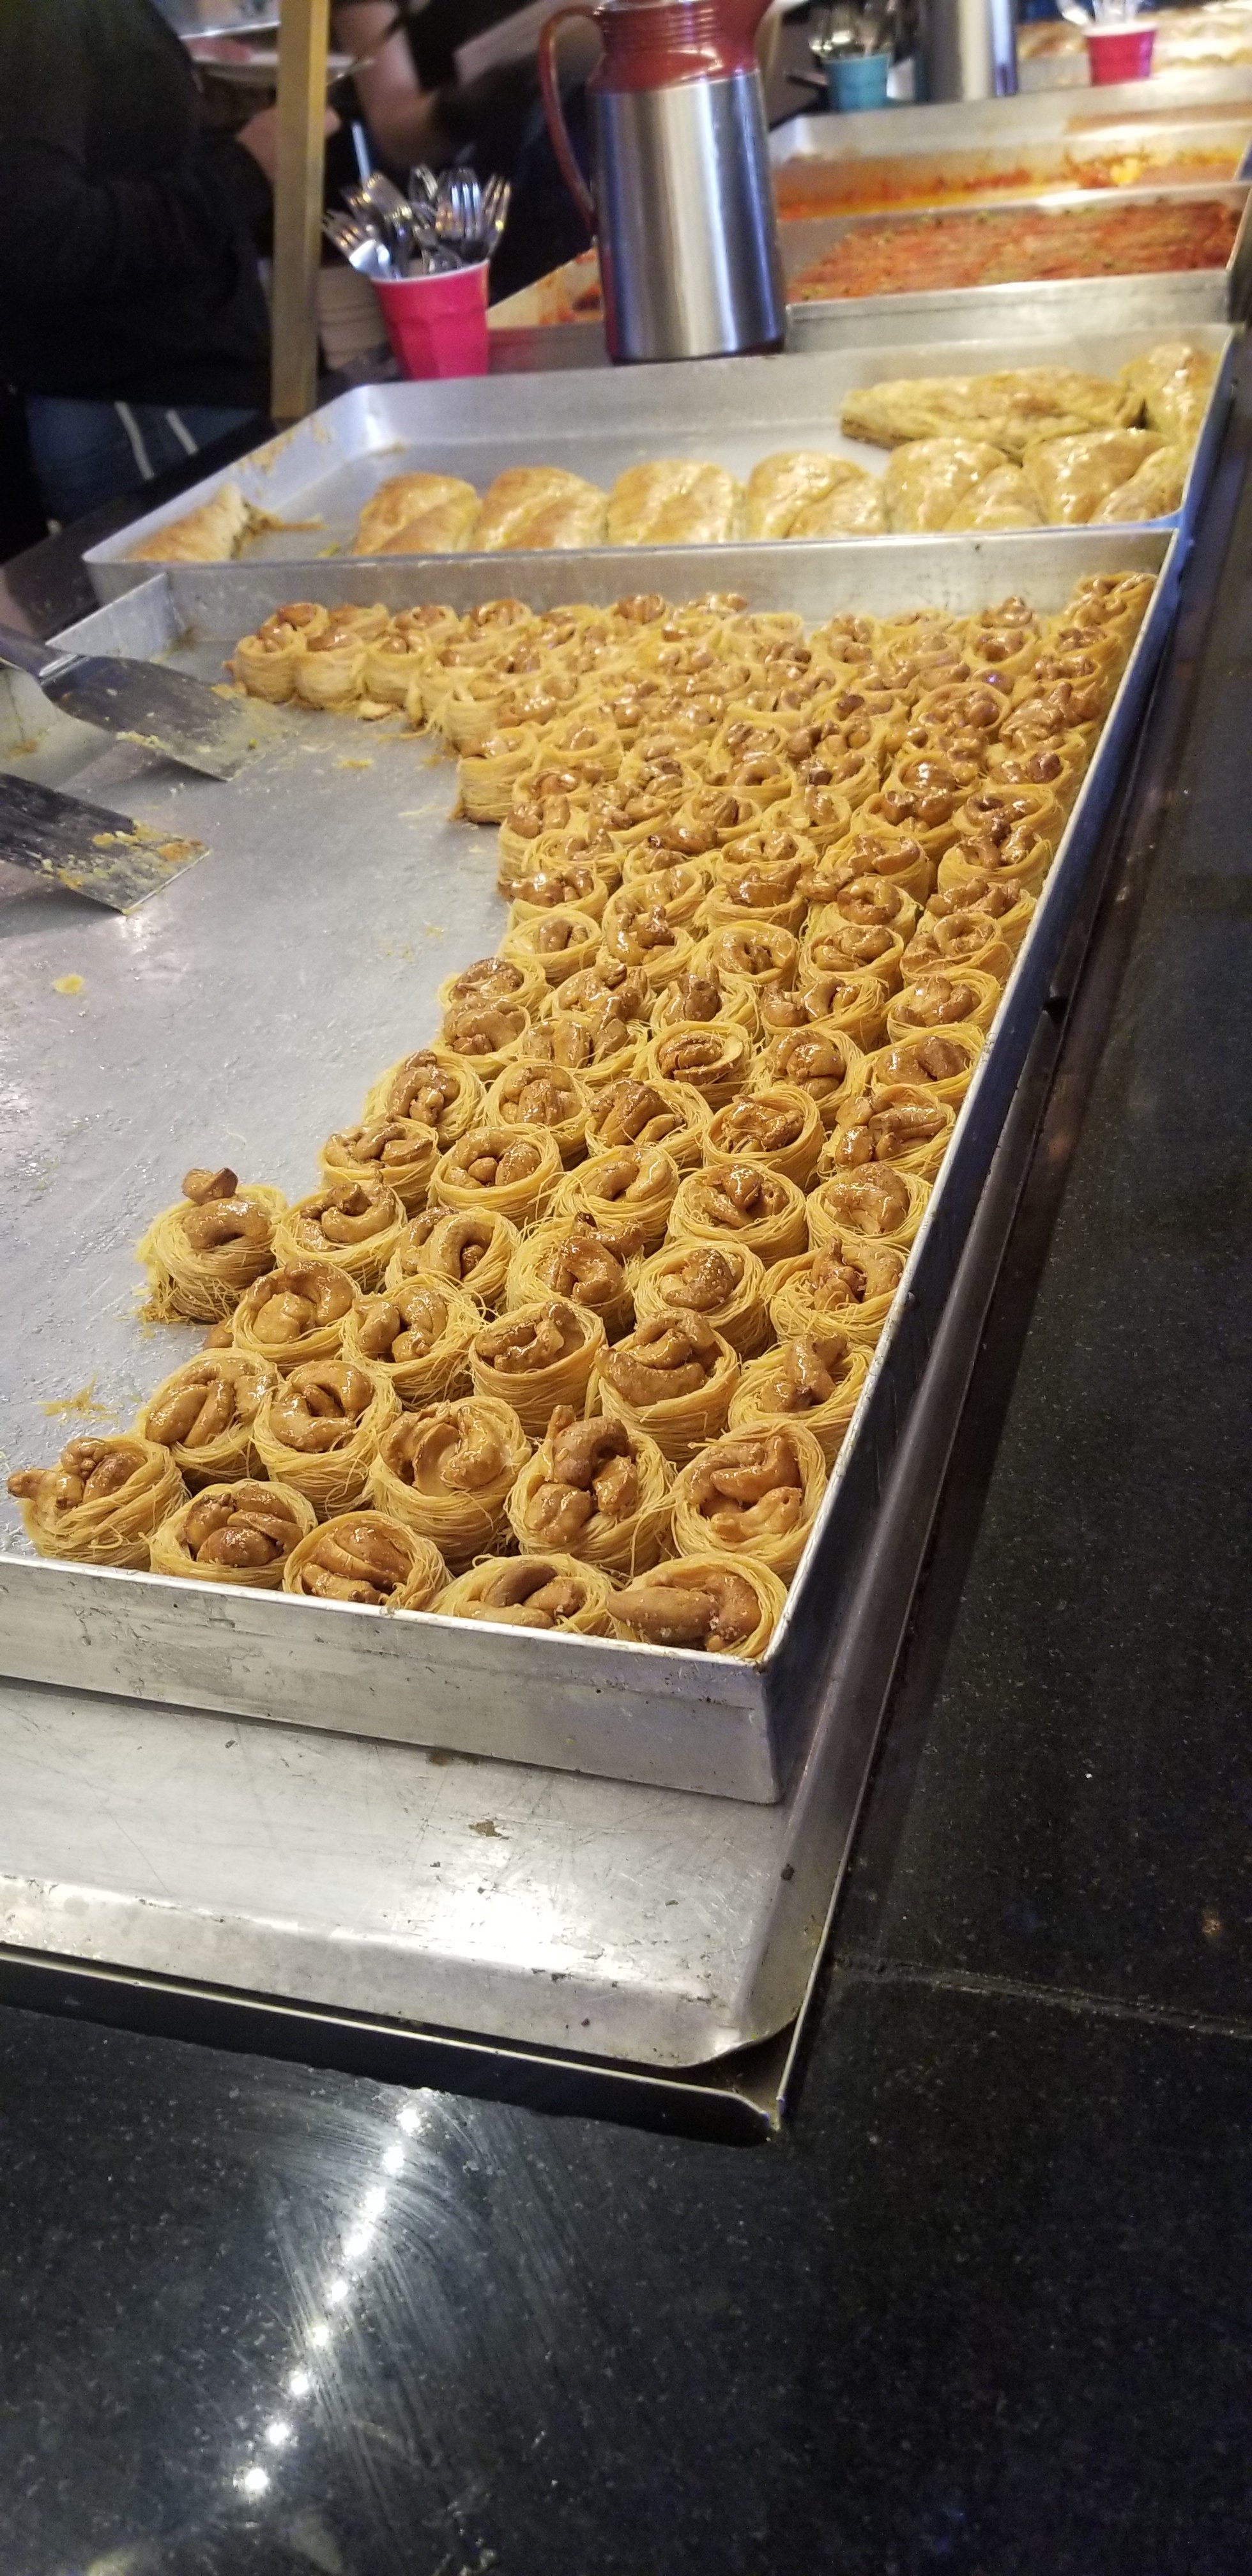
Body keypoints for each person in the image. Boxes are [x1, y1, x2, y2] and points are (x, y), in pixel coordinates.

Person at [0, 0, 271, 526]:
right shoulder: (42, 16)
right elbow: (42, 237)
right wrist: (245, 170)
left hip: (165, 397)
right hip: (143, 404)